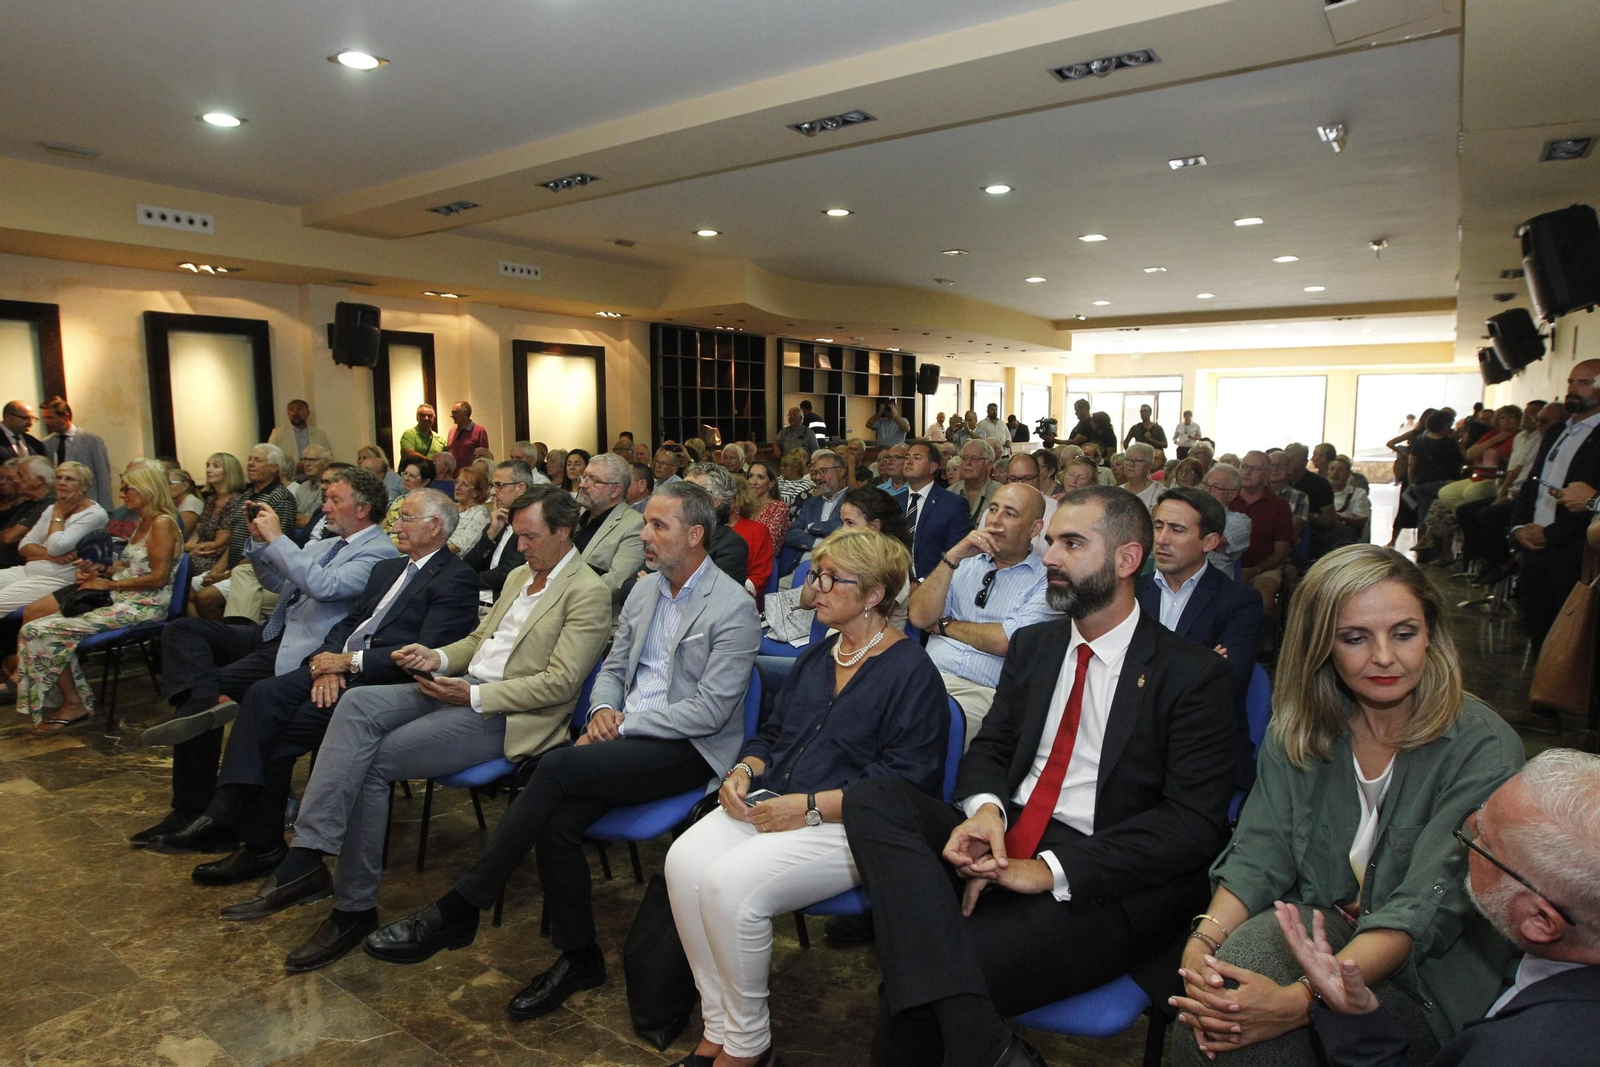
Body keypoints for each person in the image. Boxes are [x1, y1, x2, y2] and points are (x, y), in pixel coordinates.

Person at [846, 485, 1237, 1067]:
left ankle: (972, 1025)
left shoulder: (1191, 674)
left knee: (919, 988)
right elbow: (993, 748)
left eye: (1071, 544)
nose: (1050, 557)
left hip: (1106, 873)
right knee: (874, 798)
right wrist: (985, 812)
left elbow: (1193, 825)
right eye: (1051, 541)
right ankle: (989, 1045)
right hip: (1011, 830)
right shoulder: (1037, 645)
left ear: (1127, 559)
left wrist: (1048, 870)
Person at [362, 482, 760, 1016]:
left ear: (694, 535)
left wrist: (625, 724)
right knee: (557, 823)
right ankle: (579, 957)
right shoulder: (644, 592)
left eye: (657, 525)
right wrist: (601, 710)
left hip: (685, 747)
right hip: (620, 737)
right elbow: (613, 668)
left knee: (554, 768)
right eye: (645, 523)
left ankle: (463, 904)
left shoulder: (732, 605)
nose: (644, 534)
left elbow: (710, 711)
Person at [216, 486, 611, 971]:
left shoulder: (587, 591)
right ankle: (310, 852)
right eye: (518, 536)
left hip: (506, 713)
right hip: (460, 686)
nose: (521, 546)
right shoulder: (519, 577)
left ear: (563, 532)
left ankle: (350, 905)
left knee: (372, 760)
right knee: (357, 703)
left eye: (530, 537)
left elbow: (560, 683)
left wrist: (472, 696)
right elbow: (477, 640)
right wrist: (436, 657)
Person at [1169, 545, 1526, 1067]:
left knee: (1265, 1038)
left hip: (1425, 974)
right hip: (1319, 927)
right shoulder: (1299, 729)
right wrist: (1203, 944)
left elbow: (1422, 911)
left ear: (1431, 633)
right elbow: (1260, 852)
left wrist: (1302, 1002)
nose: (1383, 656)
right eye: (1355, 638)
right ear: (1321, 646)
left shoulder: (1484, 749)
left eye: (1404, 633)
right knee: (1217, 1007)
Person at [667, 528, 949, 1067]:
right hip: (780, 800)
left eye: (831, 579)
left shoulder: (911, 671)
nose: (815, 587)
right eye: (817, 574)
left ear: (873, 595)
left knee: (729, 885)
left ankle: (748, 1046)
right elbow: (773, 734)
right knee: (682, 862)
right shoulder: (820, 657)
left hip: (853, 825)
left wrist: (811, 806)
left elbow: (905, 782)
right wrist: (742, 771)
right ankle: (718, 1026)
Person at [150, 488, 480, 864]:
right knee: (261, 695)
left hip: (380, 683)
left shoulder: (455, 579)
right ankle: (229, 815)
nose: (396, 526)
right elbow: (349, 623)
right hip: (338, 665)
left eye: (406, 518)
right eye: (397, 517)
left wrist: (349, 663)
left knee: (280, 735)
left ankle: (249, 837)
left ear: (435, 526)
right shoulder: (388, 569)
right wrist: (328, 659)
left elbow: (426, 655)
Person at [131, 468, 398, 851]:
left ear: (363, 509)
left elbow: (324, 586)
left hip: (308, 648)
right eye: (326, 499)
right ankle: (203, 721)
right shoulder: (326, 544)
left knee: (206, 694)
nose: (325, 507)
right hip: (275, 634)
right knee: (182, 632)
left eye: (334, 500)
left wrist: (278, 538)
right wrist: (259, 543)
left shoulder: (380, 552)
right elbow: (279, 584)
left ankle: (199, 809)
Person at [1281, 748, 1600, 1067]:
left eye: (1484, 841)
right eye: (1482, 810)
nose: (1471, 825)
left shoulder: (1515, 1050)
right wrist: (1359, 1023)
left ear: (1540, 921)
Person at [16, 463, 178, 731]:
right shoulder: (142, 522)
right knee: (32, 627)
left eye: (127, 489)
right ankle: (69, 697)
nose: (122, 494)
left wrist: (108, 585)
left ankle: (74, 703)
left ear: (146, 489)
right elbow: (130, 567)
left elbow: (159, 578)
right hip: (123, 598)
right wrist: (99, 569)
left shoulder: (162, 523)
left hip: (145, 605)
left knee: (41, 631)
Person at [909, 483, 1057, 741]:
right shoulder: (963, 563)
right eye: (993, 509)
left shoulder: (1047, 580)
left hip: (984, 692)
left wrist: (945, 626)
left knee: (923, 728)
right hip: (927, 675)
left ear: (1035, 529)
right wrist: (953, 557)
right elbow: (920, 617)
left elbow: (1006, 641)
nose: (995, 521)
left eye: (1010, 514)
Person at [1510, 360, 1600, 673]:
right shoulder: (1558, 431)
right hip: (1535, 545)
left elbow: (1586, 500)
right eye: (1571, 382)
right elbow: (1533, 483)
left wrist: (1550, 535)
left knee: (1574, 640)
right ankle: (1541, 694)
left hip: (1575, 551)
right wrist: (1519, 527)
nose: (1573, 389)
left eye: (1584, 383)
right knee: (1539, 628)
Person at [0, 461, 108, 614]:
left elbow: (57, 547)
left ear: (84, 486)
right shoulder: (51, 508)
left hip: (55, 579)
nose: (62, 482)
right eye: (59, 477)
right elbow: (24, 545)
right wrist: (50, 557)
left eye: (69, 479)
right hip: (27, 570)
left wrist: (59, 515)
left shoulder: (94, 514)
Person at [574, 451, 647, 612]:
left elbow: (615, 584)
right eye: (584, 477)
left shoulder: (635, 525)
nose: (583, 485)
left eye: (593, 480)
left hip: (598, 616)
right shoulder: (575, 514)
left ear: (615, 490)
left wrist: (562, 596)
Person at [461, 460, 541, 604]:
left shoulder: (532, 527)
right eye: (492, 486)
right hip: (472, 601)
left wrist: (467, 579)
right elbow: (468, 565)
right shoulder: (498, 521)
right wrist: (491, 534)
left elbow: (509, 573)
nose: (492, 492)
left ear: (521, 488)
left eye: (499, 485)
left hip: (502, 605)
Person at [1232, 452, 1294, 625]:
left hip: (1265, 568)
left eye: (1254, 468)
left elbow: (1280, 552)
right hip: (1226, 565)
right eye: (1244, 466)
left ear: (1266, 473)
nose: (1247, 472)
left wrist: (1256, 570)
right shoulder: (1229, 498)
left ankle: (1269, 637)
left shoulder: (1279, 505)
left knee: (1264, 601)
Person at [898, 440, 973, 581]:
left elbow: (959, 554)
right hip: (895, 583)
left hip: (935, 583)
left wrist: (922, 583)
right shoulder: (894, 502)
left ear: (933, 467)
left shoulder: (953, 504)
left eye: (917, 458)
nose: (909, 461)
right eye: (907, 457)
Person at [686, 462, 755, 587]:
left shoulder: (731, 545)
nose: (679, 495)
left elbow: (718, 594)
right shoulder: (670, 530)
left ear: (715, 501)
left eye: (691, 490)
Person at [38, 396, 112, 510]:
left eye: (51, 418)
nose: (47, 422)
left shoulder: (91, 441)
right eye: (45, 418)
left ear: (65, 416)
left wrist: (106, 508)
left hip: (87, 503)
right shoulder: (46, 443)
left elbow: (102, 476)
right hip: (59, 504)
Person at [184, 453, 245, 582]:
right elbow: (197, 534)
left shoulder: (237, 501)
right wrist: (188, 549)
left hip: (218, 560)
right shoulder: (211, 500)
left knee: (177, 565)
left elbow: (217, 545)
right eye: (208, 465)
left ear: (229, 472)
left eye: (216, 466)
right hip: (199, 553)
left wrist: (185, 548)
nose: (208, 470)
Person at [784, 449, 849, 553]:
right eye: (816, 472)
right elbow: (792, 534)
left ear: (840, 471)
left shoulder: (856, 500)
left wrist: (810, 527)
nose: (818, 477)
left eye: (823, 471)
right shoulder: (810, 503)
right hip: (809, 556)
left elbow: (846, 530)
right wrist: (818, 543)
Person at [1000, 452, 1057, 558]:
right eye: (1013, 479)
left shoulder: (1057, 511)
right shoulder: (994, 512)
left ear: (1039, 476)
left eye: (1027, 478)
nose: (1020, 483)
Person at [1205, 462, 1253, 574]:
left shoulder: (1240, 521)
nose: (1207, 491)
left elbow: (1210, 542)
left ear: (1231, 495)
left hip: (1213, 577)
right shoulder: (1189, 512)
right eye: (1206, 484)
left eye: (1215, 487)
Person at [383, 456, 434, 542]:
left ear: (425, 481)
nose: (406, 478)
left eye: (412, 476)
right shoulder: (399, 499)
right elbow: (384, 524)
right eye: (405, 474)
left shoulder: (428, 505)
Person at [446, 464, 492, 554]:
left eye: (464, 485)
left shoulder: (481, 513)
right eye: (457, 482)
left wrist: (432, 555)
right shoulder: (448, 507)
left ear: (476, 492)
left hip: (453, 558)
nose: (457, 487)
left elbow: (461, 546)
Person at [955, 439, 1003, 523]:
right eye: (964, 458)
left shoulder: (1000, 493)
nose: (968, 462)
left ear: (989, 465)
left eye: (974, 458)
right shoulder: (950, 492)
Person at [745, 460, 789, 549]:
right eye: (751, 476)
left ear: (771, 483)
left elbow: (770, 543)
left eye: (760, 477)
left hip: (764, 555)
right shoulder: (743, 505)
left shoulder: (779, 508)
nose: (753, 482)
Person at [268, 399, 333, 459]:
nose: (295, 413)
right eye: (291, 410)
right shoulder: (278, 433)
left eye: (299, 409)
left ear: (307, 413)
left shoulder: (319, 434)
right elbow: (269, 456)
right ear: (288, 413)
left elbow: (329, 457)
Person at [1329, 457, 1372, 546]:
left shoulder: (1358, 493)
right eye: (1332, 469)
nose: (1335, 473)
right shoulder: (1320, 491)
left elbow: (1361, 521)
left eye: (1340, 470)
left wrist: (1340, 519)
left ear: (1348, 474)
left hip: (1344, 532)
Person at [445, 401, 489, 472]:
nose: (451, 415)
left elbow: (483, 457)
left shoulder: (479, 431)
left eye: (455, 412)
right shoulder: (452, 431)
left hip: (470, 475)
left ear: (465, 413)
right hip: (453, 475)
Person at [1121, 441, 1161, 511]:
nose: (1131, 464)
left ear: (1149, 465)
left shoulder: (1159, 493)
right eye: (1128, 459)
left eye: (1138, 461)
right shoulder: (1118, 492)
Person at [167, 468, 203, 538]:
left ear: (185, 486)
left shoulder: (192, 503)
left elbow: (181, 534)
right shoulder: (173, 503)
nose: (165, 487)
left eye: (170, 483)